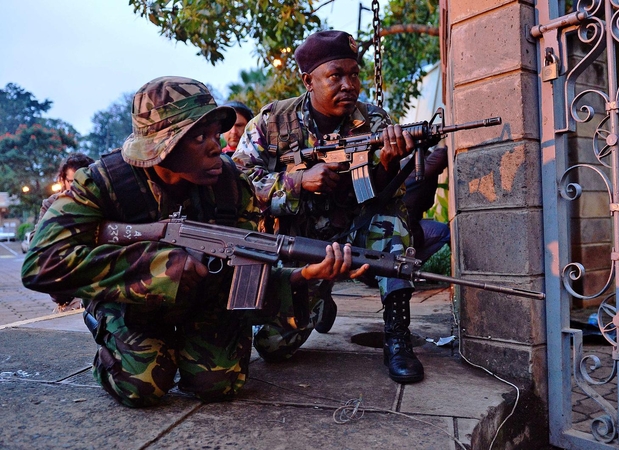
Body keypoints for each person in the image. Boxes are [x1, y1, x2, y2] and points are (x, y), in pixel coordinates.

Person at [22, 76, 366, 408]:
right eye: (200, 137)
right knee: (142, 387)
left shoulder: (231, 185)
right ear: (162, 147)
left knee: (218, 384)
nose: (217, 146)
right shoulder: (103, 182)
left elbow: (245, 277)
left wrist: (303, 277)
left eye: (215, 134)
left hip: (204, 297)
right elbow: (41, 264)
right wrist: (158, 269)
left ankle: (177, 342)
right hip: (129, 302)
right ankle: (110, 330)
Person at [232, 30, 424, 383]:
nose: (349, 85)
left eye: (354, 74)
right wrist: (298, 182)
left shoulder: (374, 121)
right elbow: (238, 181)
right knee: (274, 348)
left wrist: (387, 165)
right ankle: (320, 298)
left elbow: (383, 196)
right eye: (336, 76)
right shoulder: (271, 122)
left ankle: (398, 337)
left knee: (390, 222)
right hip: (299, 245)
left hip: (353, 229)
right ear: (309, 80)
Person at [35, 152, 95, 312]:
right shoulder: (52, 204)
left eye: (83, 181)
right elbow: (37, 243)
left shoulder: (102, 202)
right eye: (72, 181)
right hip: (68, 289)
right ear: (63, 180)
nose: (78, 186)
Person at [402, 145, 451, 263]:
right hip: (403, 230)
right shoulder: (414, 167)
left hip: (390, 229)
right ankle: (408, 268)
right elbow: (441, 156)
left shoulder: (401, 164)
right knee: (444, 232)